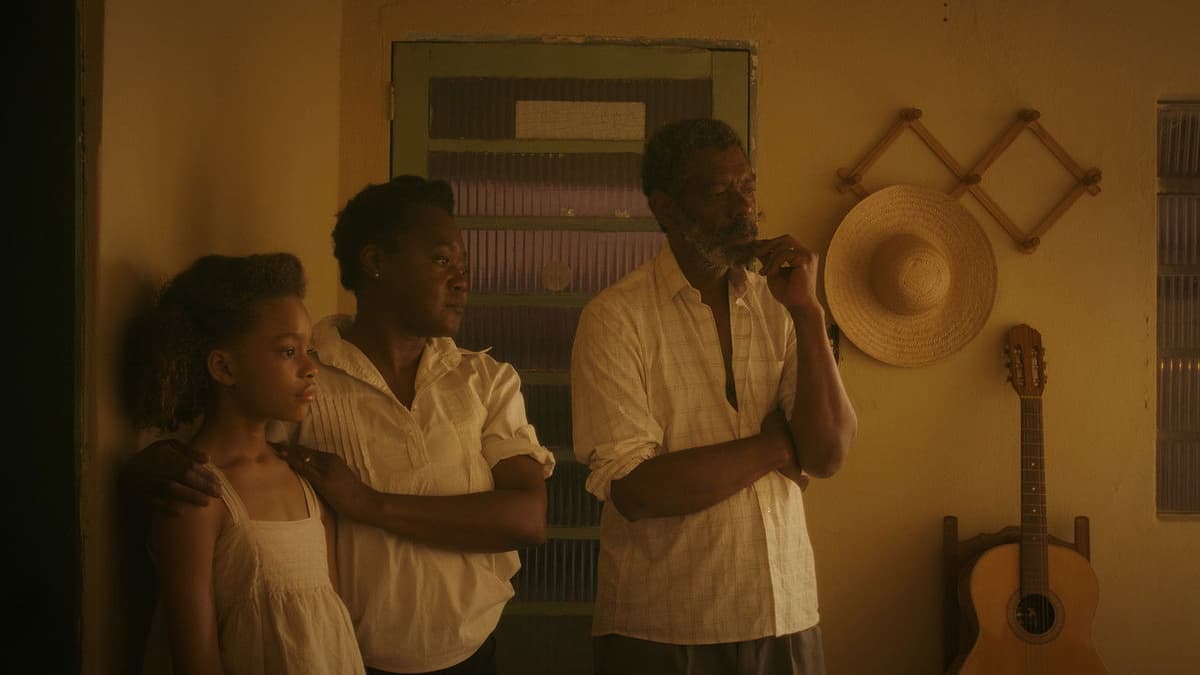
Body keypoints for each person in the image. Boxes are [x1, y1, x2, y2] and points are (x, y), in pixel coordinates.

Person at [124, 176, 554, 675]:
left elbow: (526, 519)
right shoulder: (302, 382)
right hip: (344, 657)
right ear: (375, 262)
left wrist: (368, 504)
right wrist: (148, 467)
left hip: (471, 655)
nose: (461, 281)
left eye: (464, 266)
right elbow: (224, 459)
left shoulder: (485, 381)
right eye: (441, 261)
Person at [570, 118, 858, 675]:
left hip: (786, 614)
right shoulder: (616, 319)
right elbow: (637, 490)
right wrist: (776, 448)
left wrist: (807, 311)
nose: (743, 208)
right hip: (662, 625)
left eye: (747, 187)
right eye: (718, 192)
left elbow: (826, 455)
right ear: (667, 208)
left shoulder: (781, 303)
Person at [129, 253, 364, 675]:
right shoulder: (197, 492)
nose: (311, 368)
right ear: (224, 367)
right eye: (288, 351)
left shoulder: (303, 476)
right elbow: (195, 660)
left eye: (308, 349)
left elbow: (327, 625)